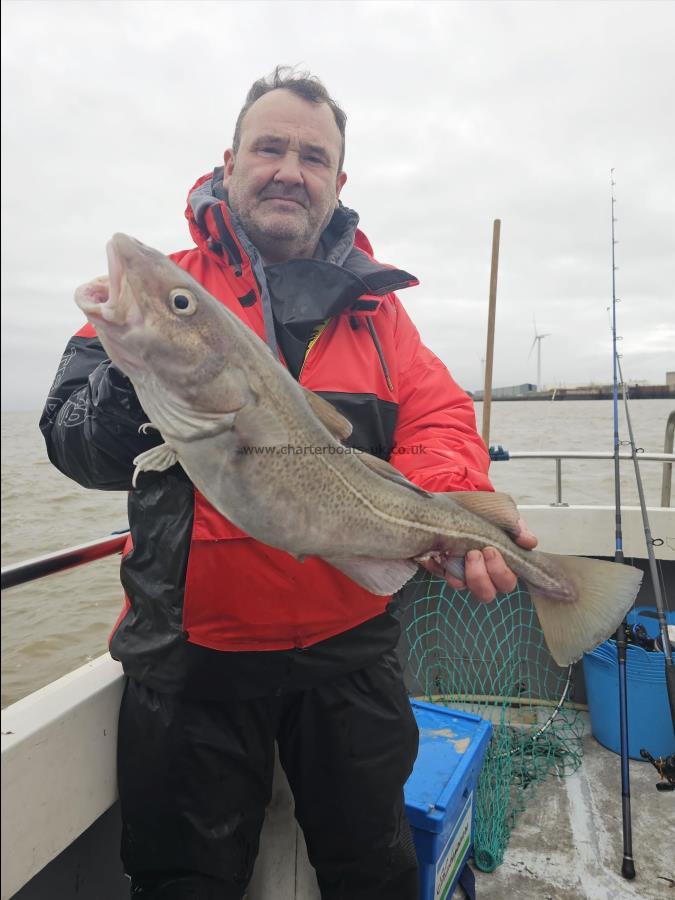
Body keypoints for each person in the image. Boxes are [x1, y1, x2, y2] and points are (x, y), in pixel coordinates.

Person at [40, 67, 536, 900]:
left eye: (312, 156)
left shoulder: (379, 311)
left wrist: (444, 503)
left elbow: (440, 416)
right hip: (191, 660)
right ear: (228, 162)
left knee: (374, 869)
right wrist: (148, 363)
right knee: (183, 883)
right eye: (267, 147)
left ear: (337, 183)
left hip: (349, 654)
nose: (288, 169)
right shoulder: (171, 292)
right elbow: (71, 444)